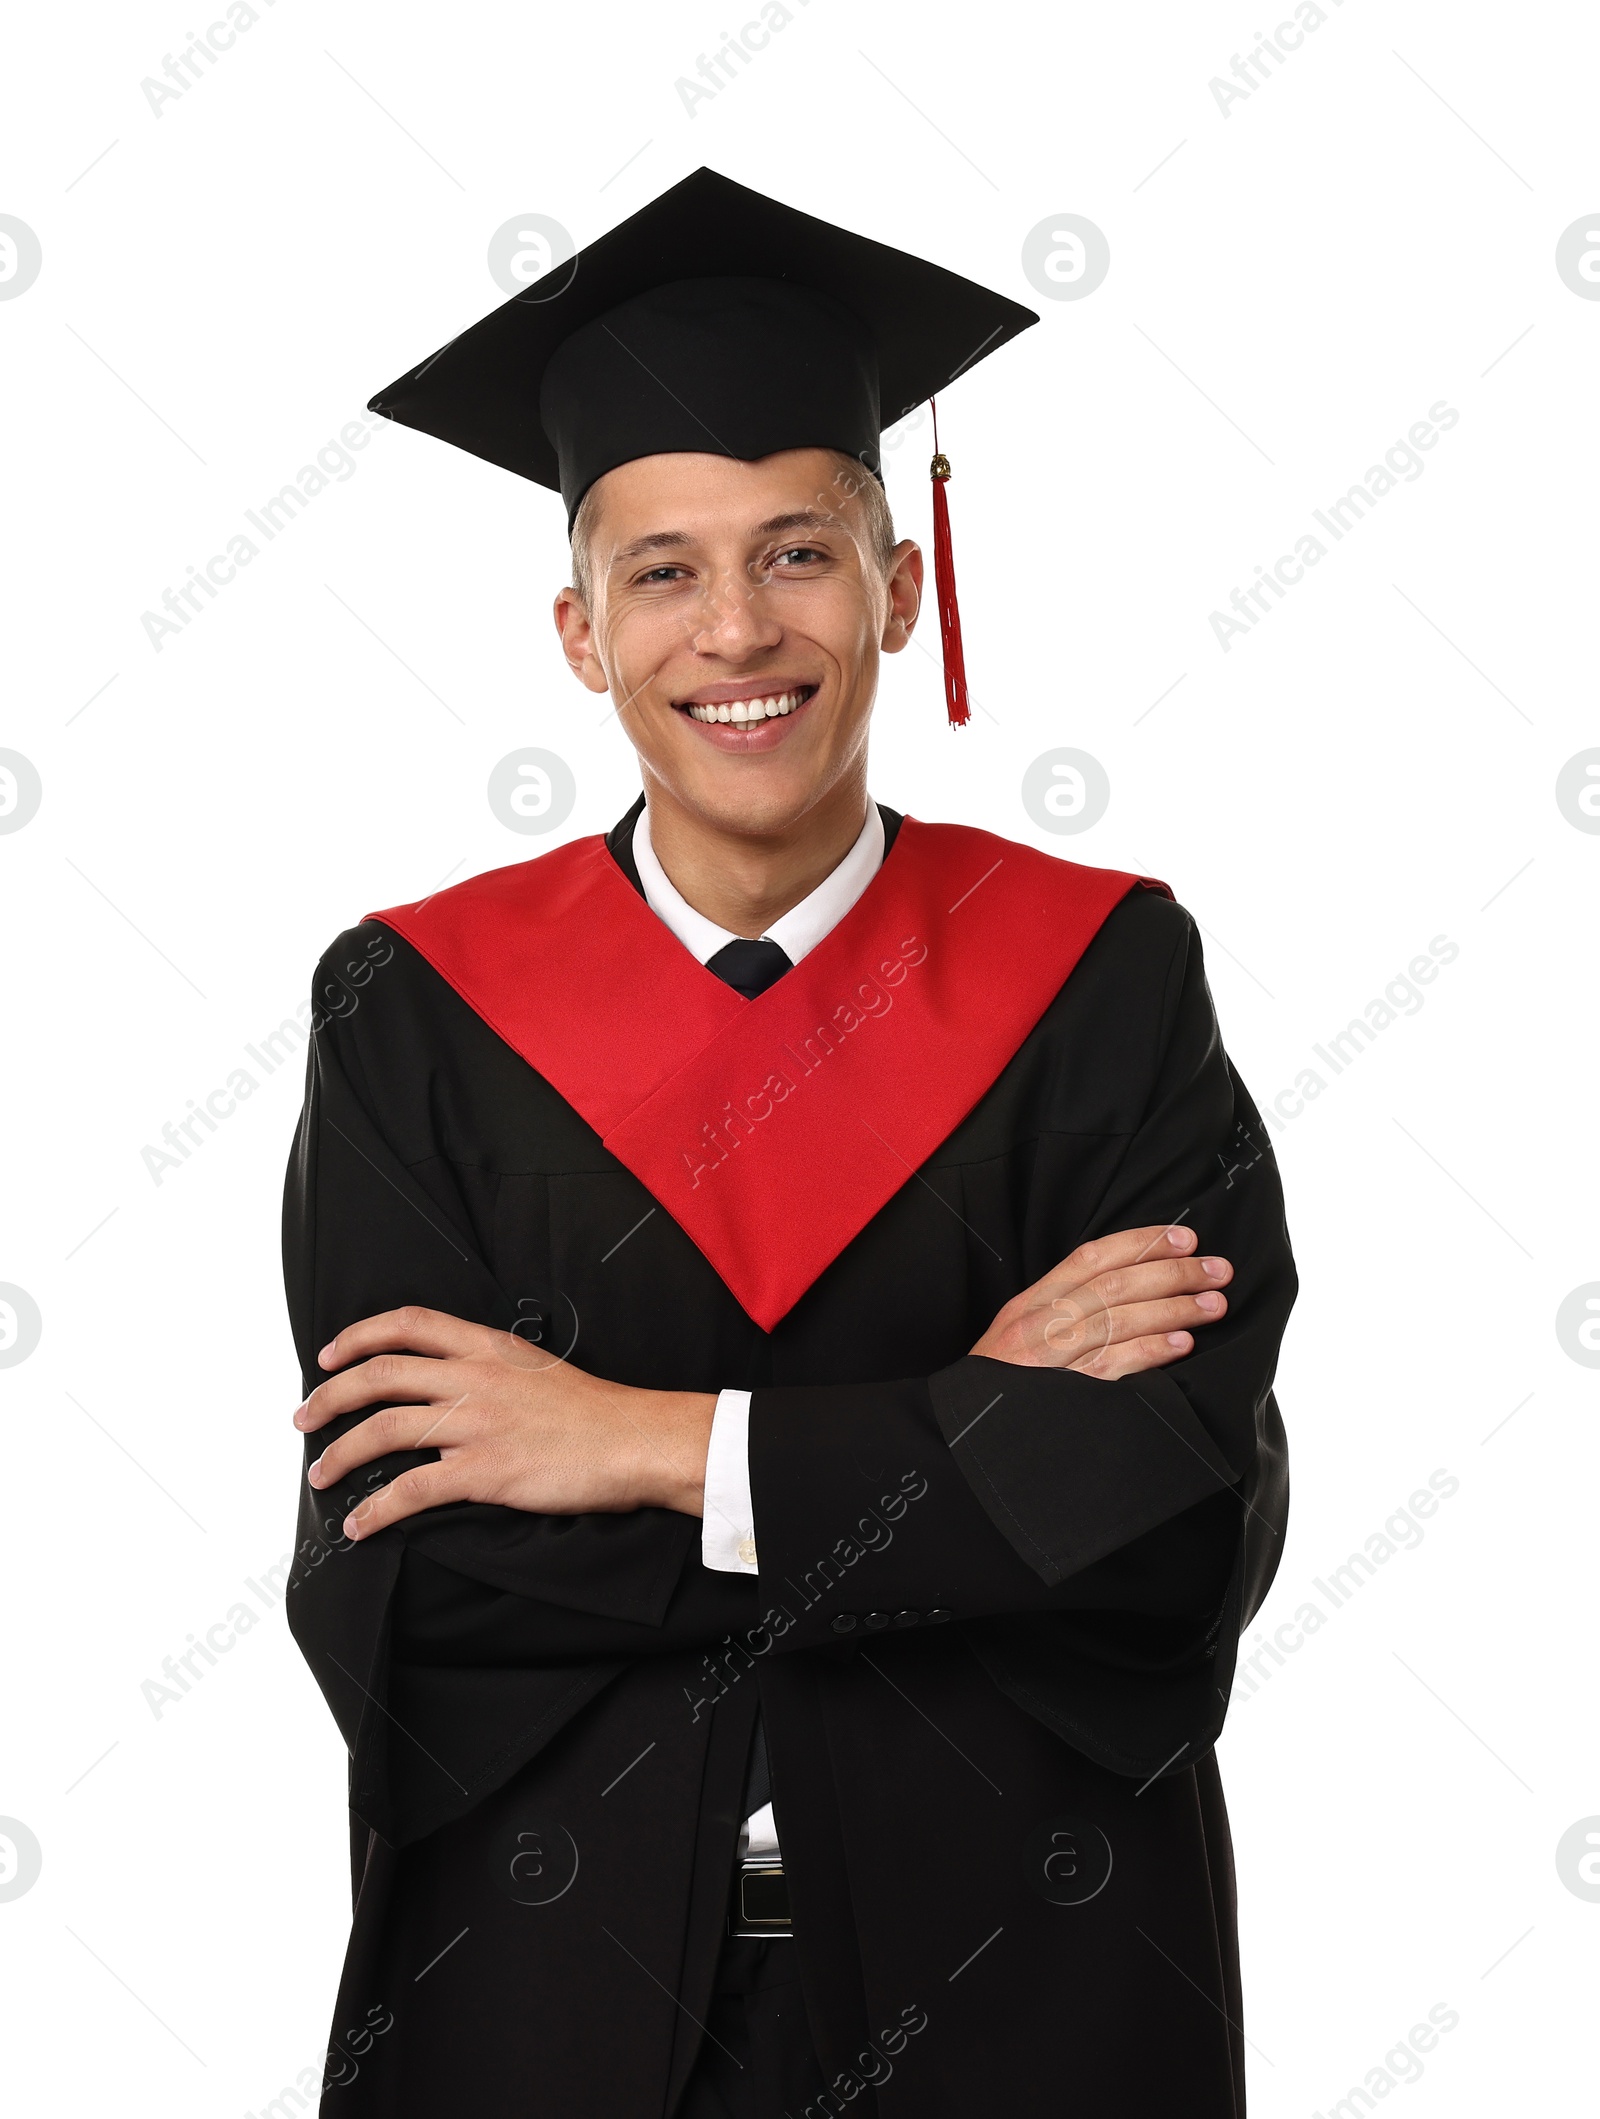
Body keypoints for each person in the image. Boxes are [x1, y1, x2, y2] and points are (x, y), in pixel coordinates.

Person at [283, 168, 1295, 2118]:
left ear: (898, 582)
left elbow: (1161, 1518)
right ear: (578, 630)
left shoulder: (1095, 977)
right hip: (540, 2001)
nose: (735, 627)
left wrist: (647, 1446)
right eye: (661, 569)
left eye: (798, 552)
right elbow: (415, 1570)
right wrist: (960, 1444)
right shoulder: (411, 1006)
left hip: (1032, 1985)